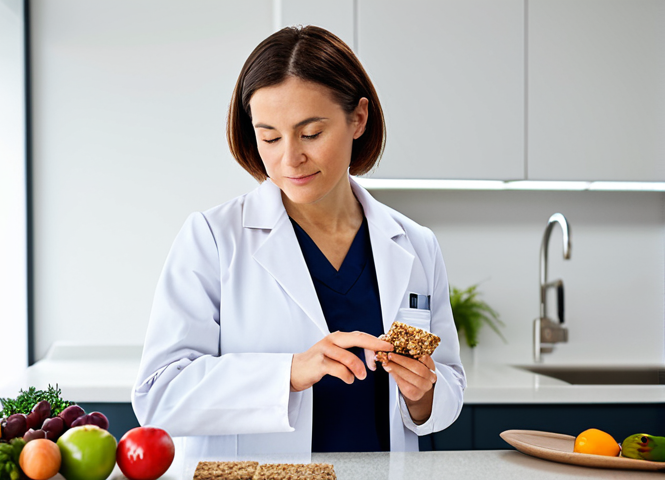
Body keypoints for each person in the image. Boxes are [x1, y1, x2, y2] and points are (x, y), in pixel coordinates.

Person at [132, 25, 465, 458]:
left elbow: (450, 383)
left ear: (358, 119)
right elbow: (159, 395)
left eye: (310, 134)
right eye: (269, 137)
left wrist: (423, 395)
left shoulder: (415, 244)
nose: (289, 159)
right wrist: (289, 371)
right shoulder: (213, 239)